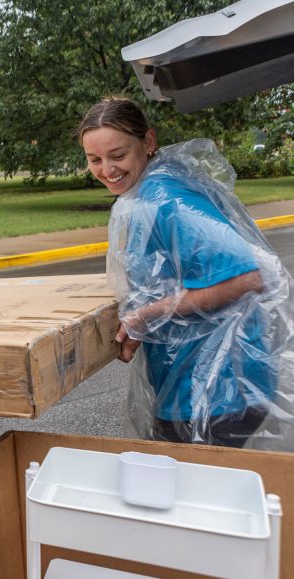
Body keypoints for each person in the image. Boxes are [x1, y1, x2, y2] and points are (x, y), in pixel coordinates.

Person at [77, 97, 293, 449]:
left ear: (148, 142)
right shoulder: (143, 197)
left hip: (218, 390)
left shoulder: (166, 200)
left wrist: (147, 317)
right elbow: (163, 284)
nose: (107, 169)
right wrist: (142, 323)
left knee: (194, 492)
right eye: (94, 159)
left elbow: (248, 278)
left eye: (118, 155)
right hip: (194, 385)